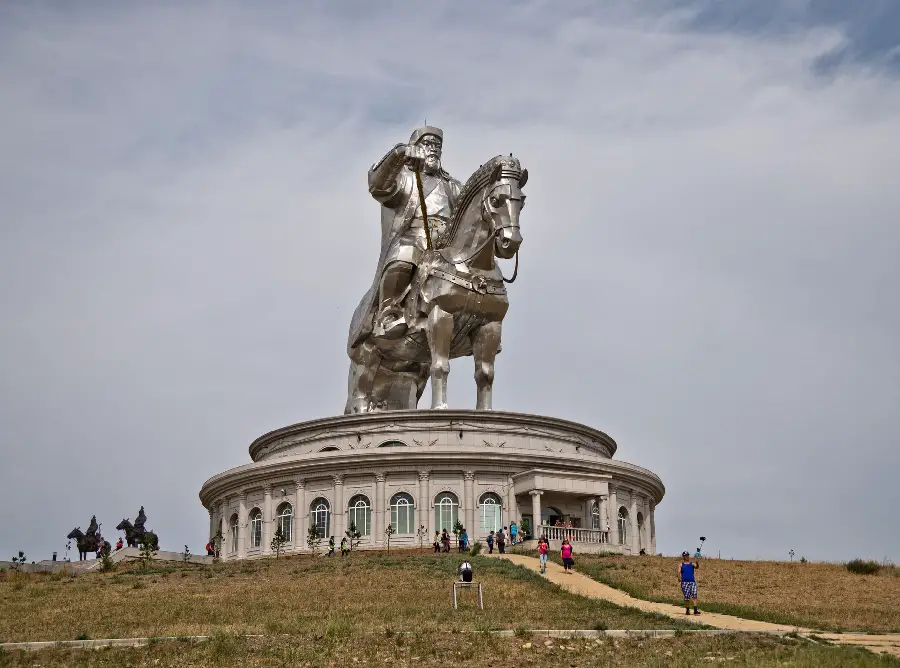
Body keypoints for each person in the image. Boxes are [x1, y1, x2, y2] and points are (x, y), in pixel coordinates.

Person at [347, 126, 463, 351]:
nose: (433, 150)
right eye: (428, 144)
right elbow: (377, 185)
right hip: (413, 236)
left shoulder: (453, 185)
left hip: (447, 243)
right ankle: (388, 313)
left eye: (437, 146)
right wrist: (399, 154)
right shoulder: (405, 178)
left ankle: (478, 320)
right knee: (405, 253)